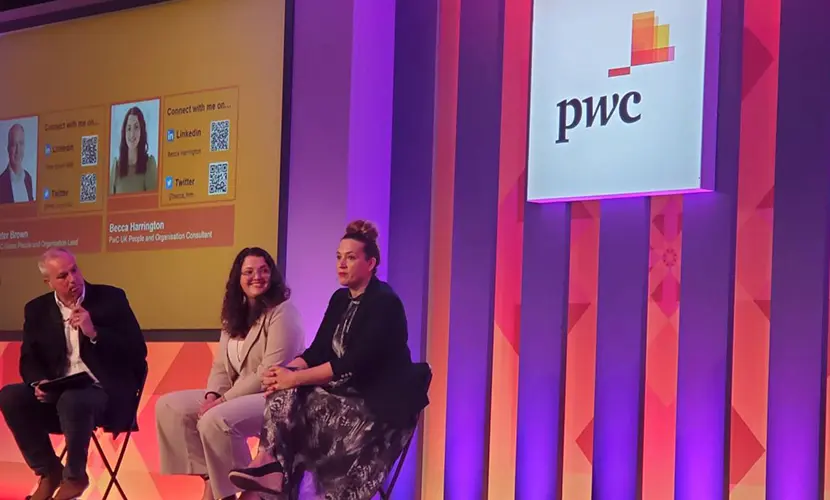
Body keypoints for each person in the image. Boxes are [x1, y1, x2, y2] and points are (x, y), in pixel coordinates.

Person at [228, 220, 430, 499]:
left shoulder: (385, 303)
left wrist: (294, 378)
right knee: (283, 392)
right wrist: (284, 372)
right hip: (342, 394)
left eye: (350, 257)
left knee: (296, 396)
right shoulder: (339, 299)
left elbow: (352, 364)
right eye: (338, 257)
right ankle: (269, 465)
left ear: (370, 263)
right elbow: (318, 351)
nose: (341, 264)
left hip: (374, 406)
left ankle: (280, 476)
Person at [155, 247, 305, 500]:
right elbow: (221, 367)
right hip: (235, 395)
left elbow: (268, 372)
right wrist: (213, 395)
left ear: (273, 275)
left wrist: (222, 401)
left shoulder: (283, 312)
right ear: (238, 278)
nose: (257, 276)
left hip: (274, 397)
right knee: (169, 407)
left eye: (263, 270)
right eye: (249, 272)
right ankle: (213, 478)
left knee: (215, 420)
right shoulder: (234, 314)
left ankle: (249, 487)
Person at [0, 247, 146, 500]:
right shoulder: (36, 309)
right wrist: (39, 383)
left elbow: (136, 351)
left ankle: (75, 476)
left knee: (74, 399)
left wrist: (94, 333)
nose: (73, 279)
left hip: (104, 394)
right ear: (48, 282)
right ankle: (48, 471)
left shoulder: (111, 298)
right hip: (59, 395)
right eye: (63, 276)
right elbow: (29, 359)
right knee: (10, 396)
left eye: (74, 270)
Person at [110, 106, 158, 194]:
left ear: (141, 131)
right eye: (129, 128)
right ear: (124, 133)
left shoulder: (149, 164)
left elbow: (152, 203)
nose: (132, 134)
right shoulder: (115, 167)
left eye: (136, 127)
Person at [0, 123, 34, 203]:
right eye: (14, 145)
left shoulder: (28, 179)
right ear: (8, 148)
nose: (18, 151)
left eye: (21, 143)